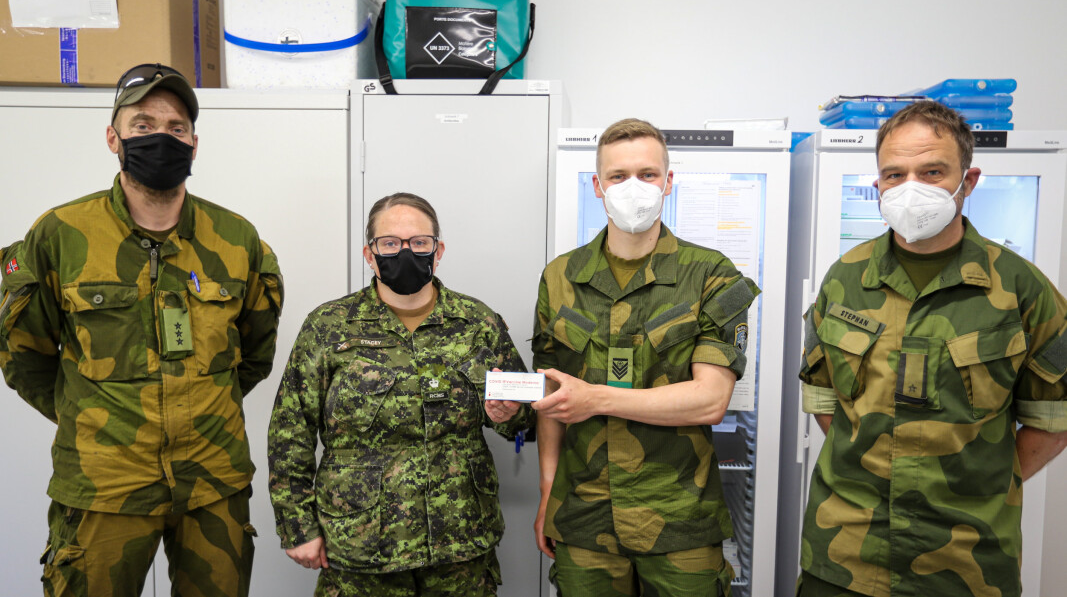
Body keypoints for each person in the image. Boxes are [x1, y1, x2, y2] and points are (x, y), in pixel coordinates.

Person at [0, 63, 284, 596]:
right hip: (103, 484)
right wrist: (90, 416)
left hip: (212, 483)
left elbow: (254, 354)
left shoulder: (236, 239)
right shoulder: (60, 233)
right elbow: (22, 353)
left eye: (177, 128)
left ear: (194, 144)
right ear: (114, 137)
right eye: (143, 124)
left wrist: (195, 404)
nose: (162, 137)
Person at [797, 100, 1067, 596]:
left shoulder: (1022, 289)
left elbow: (1053, 422)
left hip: (967, 563)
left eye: (932, 171)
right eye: (894, 174)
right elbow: (825, 404)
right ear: (877, 183)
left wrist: (979, 485)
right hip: (845, 554)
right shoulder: (844, 280)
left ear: (969, 179)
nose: (910, 188)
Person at [530, 118, 759, 596]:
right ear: (598, 186)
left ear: (668, 182)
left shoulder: (711, 273)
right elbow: (554, 394)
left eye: (648, 174)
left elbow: (709, 401)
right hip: (583, 513)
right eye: (618, 176)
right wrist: (548, 491)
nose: (633, 187)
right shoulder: (560, 276)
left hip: (679, 515)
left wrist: (597, 400)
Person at [268, 192, 535, 596]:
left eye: (419, 243)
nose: (405, 252)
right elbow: (291, 431)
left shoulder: (477, 322)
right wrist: (297, 527)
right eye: (390, 243)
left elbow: (526, 417)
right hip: (360, 548)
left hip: (459, 544)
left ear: (438, 250)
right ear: (369, 253)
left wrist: (508, 416)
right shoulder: (329, 327)